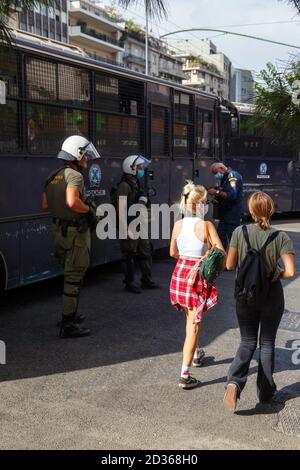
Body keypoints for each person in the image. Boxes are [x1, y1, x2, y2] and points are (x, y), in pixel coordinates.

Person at [224, 192, 295, 411]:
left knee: (247, 342)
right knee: (267, 343)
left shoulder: (239, 231)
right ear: (271, 210)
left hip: (245, 295)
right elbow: (290, 272)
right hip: (271, 296)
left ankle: (234, 382)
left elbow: (229, 265)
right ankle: (265, 394)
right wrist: (277, 273)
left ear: (252, 211)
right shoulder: (280, 237)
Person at [42, 135, 100, 338]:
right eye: (85, 156)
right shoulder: (75, 176)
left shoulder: (53, 175)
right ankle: (68, 324)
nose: (87, 160)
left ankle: (71, 314)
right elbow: (72, 202)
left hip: (59, 232)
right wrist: (89, 211)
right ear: (77, 155)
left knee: (69, 276)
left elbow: (45, 204)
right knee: (74, 278)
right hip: (76, 234)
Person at [170, 181, 225, 389]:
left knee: (191, 318)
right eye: (206, 202)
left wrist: (187, 260)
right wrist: (205, 257)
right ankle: (185, 375)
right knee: (193, 326)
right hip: (196, 278)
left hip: (179, 274)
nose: (208, 205)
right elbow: (221, 253)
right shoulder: (206, 226)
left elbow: (172, 253)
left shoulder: (178, 224)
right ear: (200, 204)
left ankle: (196, 353)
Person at [116, 155, 158, 294]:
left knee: (145, 251)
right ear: (131, 168)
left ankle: (146, 280)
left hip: (139, 224)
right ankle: (129, 283)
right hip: (129, 224)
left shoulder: (136, 182)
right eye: (140, 167)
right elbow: (120, 209)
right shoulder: (124, 186)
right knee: (129, 255)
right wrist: (125, 228)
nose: (142, 170)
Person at [208, 162, 243, 251]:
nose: (216, 175)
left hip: (232, 215)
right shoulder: (225, 177)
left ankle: (234, 262)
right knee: (220, 236)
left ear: (221, 168)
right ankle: (223, 259)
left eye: (216, 173)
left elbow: (232, 195)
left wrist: (216, 192)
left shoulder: (232, 177)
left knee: (233, 240)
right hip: (224, 215)